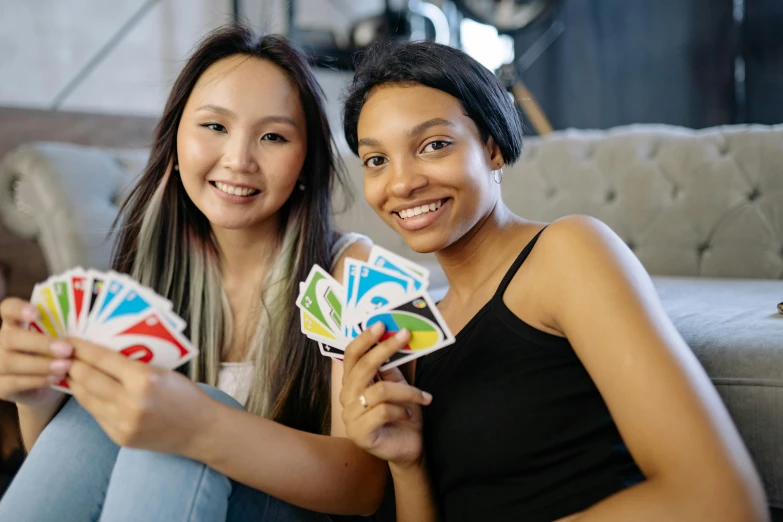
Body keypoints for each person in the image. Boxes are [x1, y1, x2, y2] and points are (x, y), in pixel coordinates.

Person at [338, 41, 769, 522]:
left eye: (434, 145)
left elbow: (721, 504)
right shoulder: (417, 332)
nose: (400, 183)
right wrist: (408, 464)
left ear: (493, 147)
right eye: (376, 160)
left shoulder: (568, 252)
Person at [0, 25, 389, 521]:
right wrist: (36, 399)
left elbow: (364, 487)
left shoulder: (350, 272)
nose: (238, 160)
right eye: (214, 127)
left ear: (306, 162)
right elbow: (79, 483)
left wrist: (197, 422)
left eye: (273, 136)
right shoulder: (152, 263)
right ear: (176, 140)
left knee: (180, 421)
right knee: (94, 416)